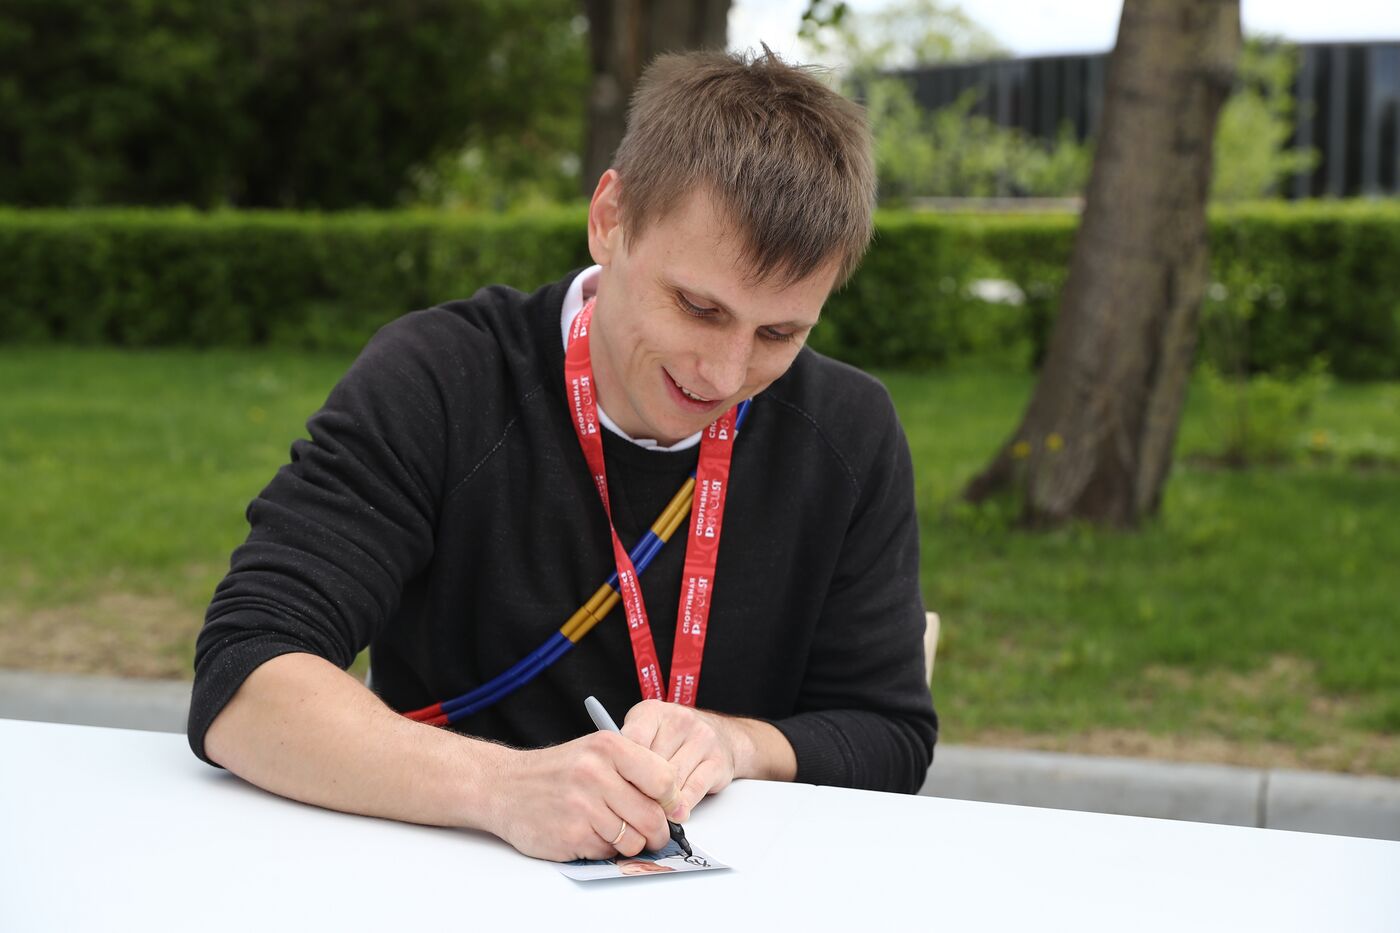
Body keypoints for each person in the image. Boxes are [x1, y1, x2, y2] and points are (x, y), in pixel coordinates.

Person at [189, 48, 937, 864]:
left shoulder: (849, 429)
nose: (724, 374)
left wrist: (736, 744)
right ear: (610, 219)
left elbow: (888, 732)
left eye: (779, 333)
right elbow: (245, 673)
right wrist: (501, 789)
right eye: (697, 307)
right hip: (438, 874)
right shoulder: (443, 378)